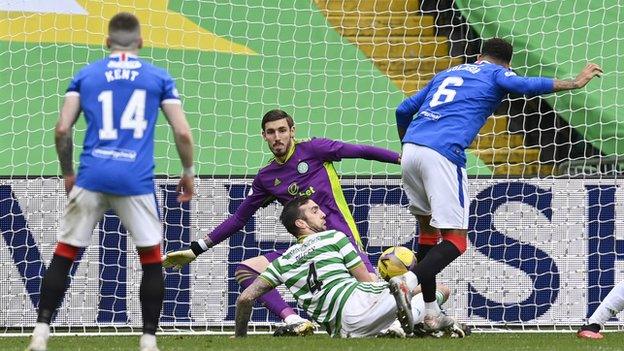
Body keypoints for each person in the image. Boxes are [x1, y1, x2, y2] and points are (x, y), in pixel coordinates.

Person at [395, 37, 603, 332]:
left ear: (479, 55)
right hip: (442, 153)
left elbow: (403, 110)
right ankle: (408, 281)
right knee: (455, 241)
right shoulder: (497, 73)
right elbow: (524, 86)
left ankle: (430, 313)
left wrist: (405, 144)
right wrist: (573, 83)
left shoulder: (448, 73)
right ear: (507, 63)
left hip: (411, 150)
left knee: (428, 235)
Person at [26, 13, 194, 351]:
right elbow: (182, 131)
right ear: (140, 43)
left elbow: (62, 129)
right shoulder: (157, 78)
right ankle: (148, 340)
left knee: (65, 253)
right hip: (136, 179)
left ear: (107, 43)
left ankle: (40, 333)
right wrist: (188, 171)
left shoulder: (86, 75)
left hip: (92, 174)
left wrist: (67, 172)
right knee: (150, 257)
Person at [162, 109, 401, 334]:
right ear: (263, 136)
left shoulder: (315, 149)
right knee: (246, 269)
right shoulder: (266, 177)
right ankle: (294, 320)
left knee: (373, 289)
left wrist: (401, 159)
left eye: (282, 130)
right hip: (307, 249)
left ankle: (401, 324)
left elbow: (360, 151)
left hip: (342, 241)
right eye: (271, 132)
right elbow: (238, 218)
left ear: (292, 131)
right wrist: (196, 250)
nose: (277, 136)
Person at [233, 196, 463, 338]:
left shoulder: (280, 263)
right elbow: (366, 282)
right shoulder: (334, 237)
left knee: (409, 297)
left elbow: (245, 298)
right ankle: (424, 320)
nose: (322, 213)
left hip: (344, 331)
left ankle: (407, 323)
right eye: (314, 211)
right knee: (439, 290)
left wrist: (240, 337)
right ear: (301, 223)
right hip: (360, 303)